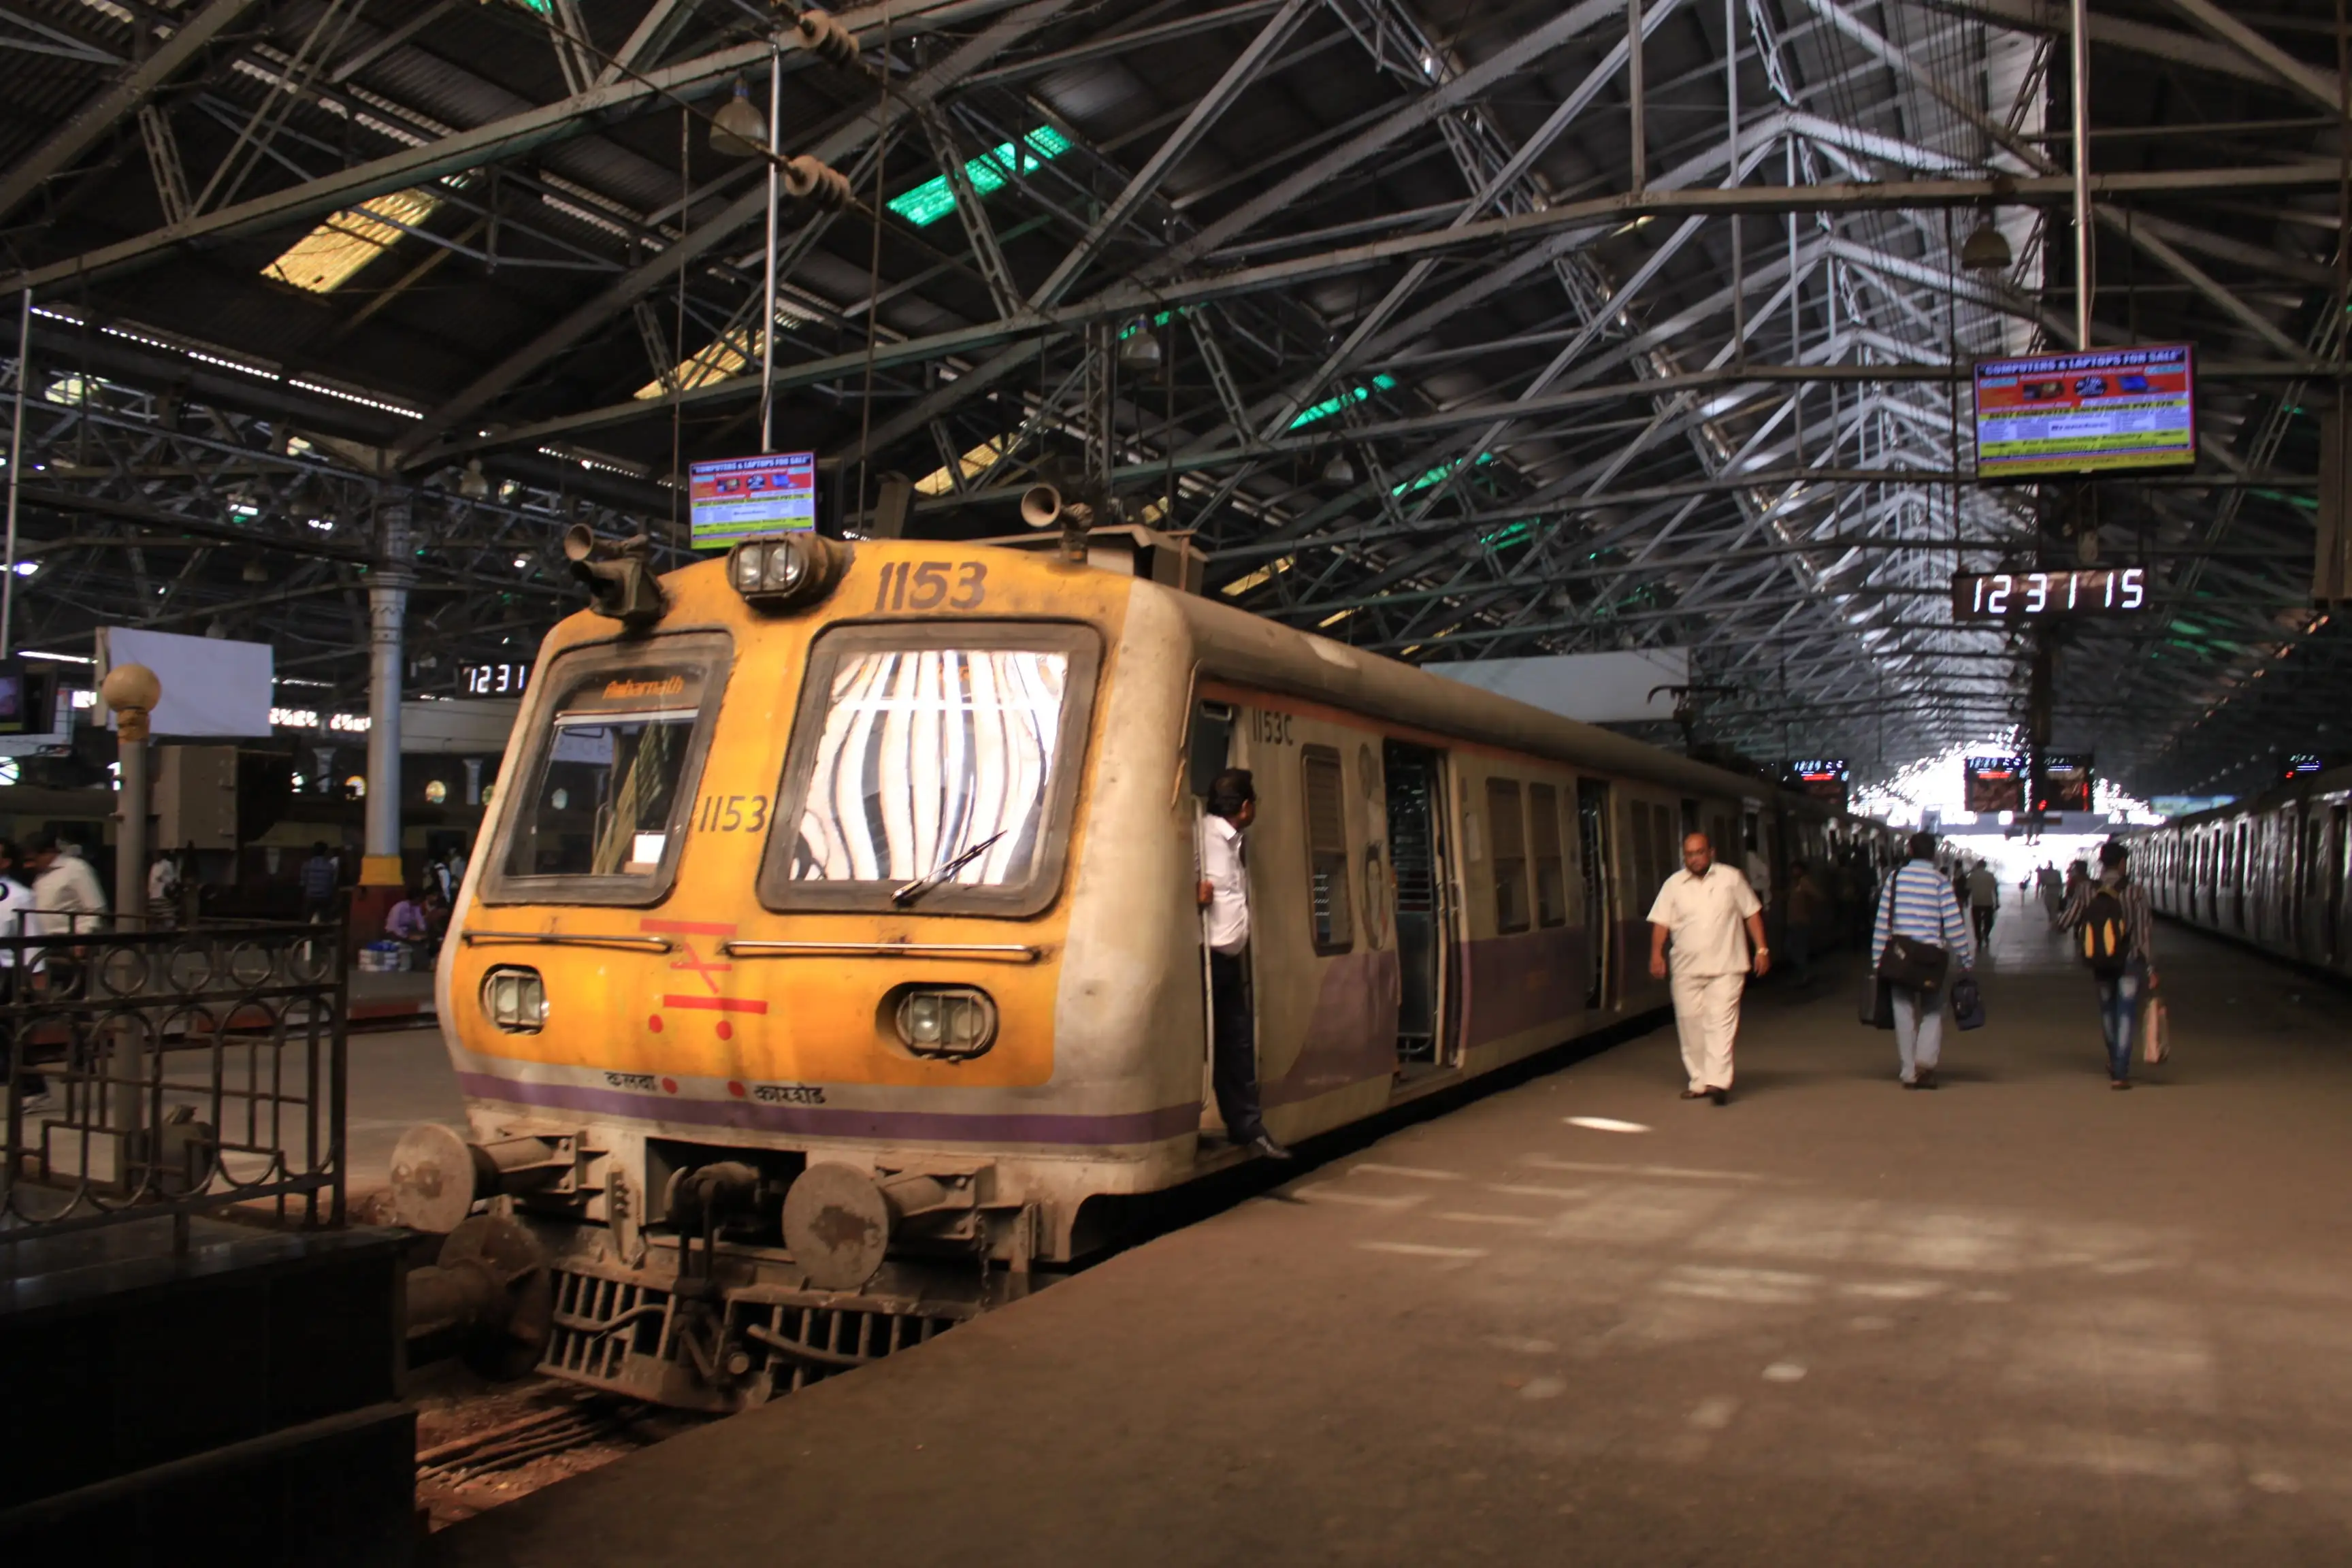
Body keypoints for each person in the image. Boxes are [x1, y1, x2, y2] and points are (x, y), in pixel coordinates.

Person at [1196, 769, 1290, 1160]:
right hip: (1202, 959)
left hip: (1227, 960)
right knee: (1220, 1043)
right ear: (1247, 807)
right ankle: (1237, 1125)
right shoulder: (1202, 837)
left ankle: (1246, 1126)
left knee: (1235, 1042)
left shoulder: (1232, 840)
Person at [1647, 832, 1768, 1105]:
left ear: (1711, 852)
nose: (1695, 858)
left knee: (1720, 1024)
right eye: (1689, 854)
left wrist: (1762, 949)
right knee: (1691, 1025)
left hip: (1728, 966)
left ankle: (1718, 1082)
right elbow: (1661, 923)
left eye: (1699, 852)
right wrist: (1656, 954)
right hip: (1686, 969)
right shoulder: (1673, 885)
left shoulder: (1731, 878)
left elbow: (1751, 913)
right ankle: (1700, 1081)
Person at [1872, 832, 1976, 1090]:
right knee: (1933, 1009)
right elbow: (1953, 923)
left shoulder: (1894, 881)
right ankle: (1925, 1064)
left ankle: (1908, 1072)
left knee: (1903, 1011)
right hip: (1930, 958)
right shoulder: (1940, 882)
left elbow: (1882, 922)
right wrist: (1965, 957)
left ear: (1909, 850)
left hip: (1900, 956)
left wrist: (1877, 960)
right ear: (1934, 854)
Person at [2059, 841, 2157, 1090]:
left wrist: (2059, 922)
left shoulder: (2087, 889)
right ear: (2123, 863)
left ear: (2101, 863)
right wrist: (2151, 968)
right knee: (2125, 1014)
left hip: (2101, 960)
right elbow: (2144, 933)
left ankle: (2115, 1060)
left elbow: (2067, 920)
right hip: (2129, 960)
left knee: (2107, 1012)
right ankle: (2120, 1072)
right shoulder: (2136, 892)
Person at [0, 837, 46, 1111]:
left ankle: (33, 1085)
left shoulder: (20, 896)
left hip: (7, 971)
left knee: (9, 1032)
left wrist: (37, 977)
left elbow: (32, 939)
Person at [24, 830, 106, 938]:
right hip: (42, 941)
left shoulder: (76, 868)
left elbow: (96, 908)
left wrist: (82, 938)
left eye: (32, 859)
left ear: (49, 852)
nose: (28, 865)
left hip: (68, 941)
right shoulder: (41, 876)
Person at [1784, 860, 1827, 986]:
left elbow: (1819, 896)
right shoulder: (1794, 884)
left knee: (1796, 948)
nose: (1793, 872)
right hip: (1794, 921)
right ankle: (1805, 973)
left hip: (1801, 921)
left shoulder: (1804, 882)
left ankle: (1805, 974)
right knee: (1793, 948)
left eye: (1795, 869)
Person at [299, 842, 340, 922]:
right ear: (326, 852)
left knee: (306, 919)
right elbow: (333, 882)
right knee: (325, 920)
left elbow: (303, 881)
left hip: (311, 896)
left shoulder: (307, 865)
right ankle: (323, 932)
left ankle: (303, 932)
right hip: (325, 896)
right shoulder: (330, 867)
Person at [1967, 859, 2000, 947]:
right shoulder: (1990, 875)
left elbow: (1968, 889)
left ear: (1977, 866)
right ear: (1985, 866)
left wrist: (1966, 901)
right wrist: (1997, 902)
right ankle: (1986, 933)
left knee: (1976, 923)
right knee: (1989, 922)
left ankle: (1979, 939)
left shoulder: (1972, 876)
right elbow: (1995, 889)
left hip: (1976, 903)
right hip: (1988, 902)